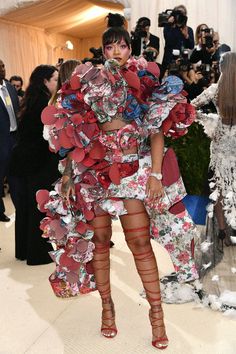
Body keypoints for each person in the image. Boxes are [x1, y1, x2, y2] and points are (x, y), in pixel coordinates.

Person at [38, 14, 197, 349]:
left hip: (133, 172)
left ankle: (157, 315)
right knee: (98, 243)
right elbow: (74, 136)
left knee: (139, 244)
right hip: (96, 173)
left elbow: (156, 131)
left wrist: (155, 174)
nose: (116, 50)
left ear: (130, 46)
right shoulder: (87, 82)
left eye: (122, 44)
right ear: (104, 49)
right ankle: (107, 308)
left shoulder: (144, 79)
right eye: (110, 45)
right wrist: (68, 174)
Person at [10, 65, 59, 264]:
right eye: (55, 79)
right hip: (37, 162)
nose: (58, 83)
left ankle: (23, 250)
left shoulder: (32, 100)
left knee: (26, 208)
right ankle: (37, 254)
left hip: (24, 161)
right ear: (45, 81)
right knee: (38, 207)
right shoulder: (43, 104)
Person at [192, 51, 236, 247]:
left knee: (219, 187)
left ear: (222, 68)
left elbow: (191, 108)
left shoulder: (215, 90)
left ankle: (222, 231)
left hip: (219, 142)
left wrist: (208, 119)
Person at [0, 59, 19, 222]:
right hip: (1, 139)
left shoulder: (10, 88)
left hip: (14, 138)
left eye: (3, 66)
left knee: (15, 175)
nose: (2, 69)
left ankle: (19, 205)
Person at [161, 5, 194, 75]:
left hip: (183, 63)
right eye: (178, 14)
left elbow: (191, 46)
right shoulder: (168, 27)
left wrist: (186, 36)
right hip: (169, 61)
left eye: (183, 14)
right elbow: (168, 41)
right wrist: (170, 24)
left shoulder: (188, 30)